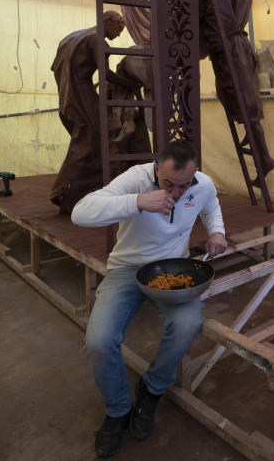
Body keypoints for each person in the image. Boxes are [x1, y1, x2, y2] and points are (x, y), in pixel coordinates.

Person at [71, 140, 228, 458]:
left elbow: (211, 206)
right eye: (169, 182)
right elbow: (80, 213)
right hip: (127, 271)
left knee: (187, 324)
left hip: (173, 269)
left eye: (184, 184)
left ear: (195, 174)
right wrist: (139, 201)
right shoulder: (136, 178)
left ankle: (152, 389)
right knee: (99, 341)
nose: (176, 191)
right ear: (156, 169)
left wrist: (217, 232)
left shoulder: (202, 185)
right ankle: (118, 410)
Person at [199, 0, 274, 187]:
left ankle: (263, 157)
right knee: (246, 103)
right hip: (242, 47)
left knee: (240, 101)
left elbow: (197, 21)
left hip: (228, 52)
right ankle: (261, 154)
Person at [50, 11, 141, 215]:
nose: (118, 34)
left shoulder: (71, 38)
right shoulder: (98, 40)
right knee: (87, 142)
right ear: (109, 22)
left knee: (87, 141)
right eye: (119, 28)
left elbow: (55, 68)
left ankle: (80, 190)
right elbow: (105, 73)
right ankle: (61, 192)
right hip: (81, 95)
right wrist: (128, 83)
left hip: (66, 95)